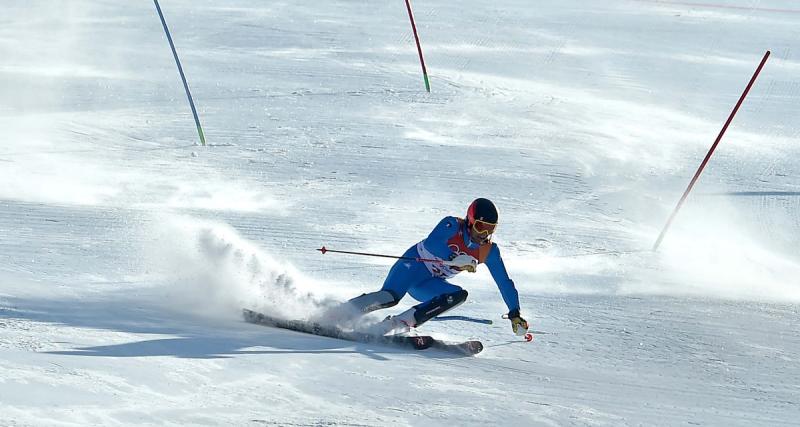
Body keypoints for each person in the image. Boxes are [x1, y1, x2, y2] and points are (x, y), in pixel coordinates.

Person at [339, 198, 529, 336]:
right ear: (470, 221)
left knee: (457, 295)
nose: (484, 234)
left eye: (491, 229)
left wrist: (515, 312)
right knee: (390, 297)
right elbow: (432, 243)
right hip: (411, 267)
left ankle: (395, 325)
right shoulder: (452, 225)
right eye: (480, 227)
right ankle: (339, 314)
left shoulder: (489, 251)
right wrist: (455, 257)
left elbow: (504, 282)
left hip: (429, 284)